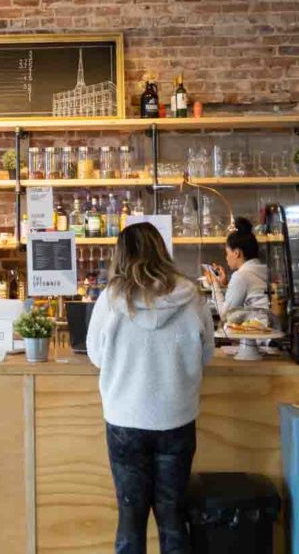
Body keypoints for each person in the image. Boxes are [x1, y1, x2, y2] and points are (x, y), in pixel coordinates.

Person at [86, 222, 214, 554]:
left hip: (125, 420)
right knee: (173, 518)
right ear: (162, 249)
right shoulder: (192, 296)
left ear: (122, 254)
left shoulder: (111, 298)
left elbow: (96, 356)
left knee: (130, 520)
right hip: (176, 419)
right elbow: (207, 354)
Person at [204, 217, 270, 323]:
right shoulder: (261, 270)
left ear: (236, 253)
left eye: (227, 253)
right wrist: (225, 285)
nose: (226, 258)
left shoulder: (240, 276)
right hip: (267, 332)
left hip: (256, 336)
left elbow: (225, 316)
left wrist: (214, 284)